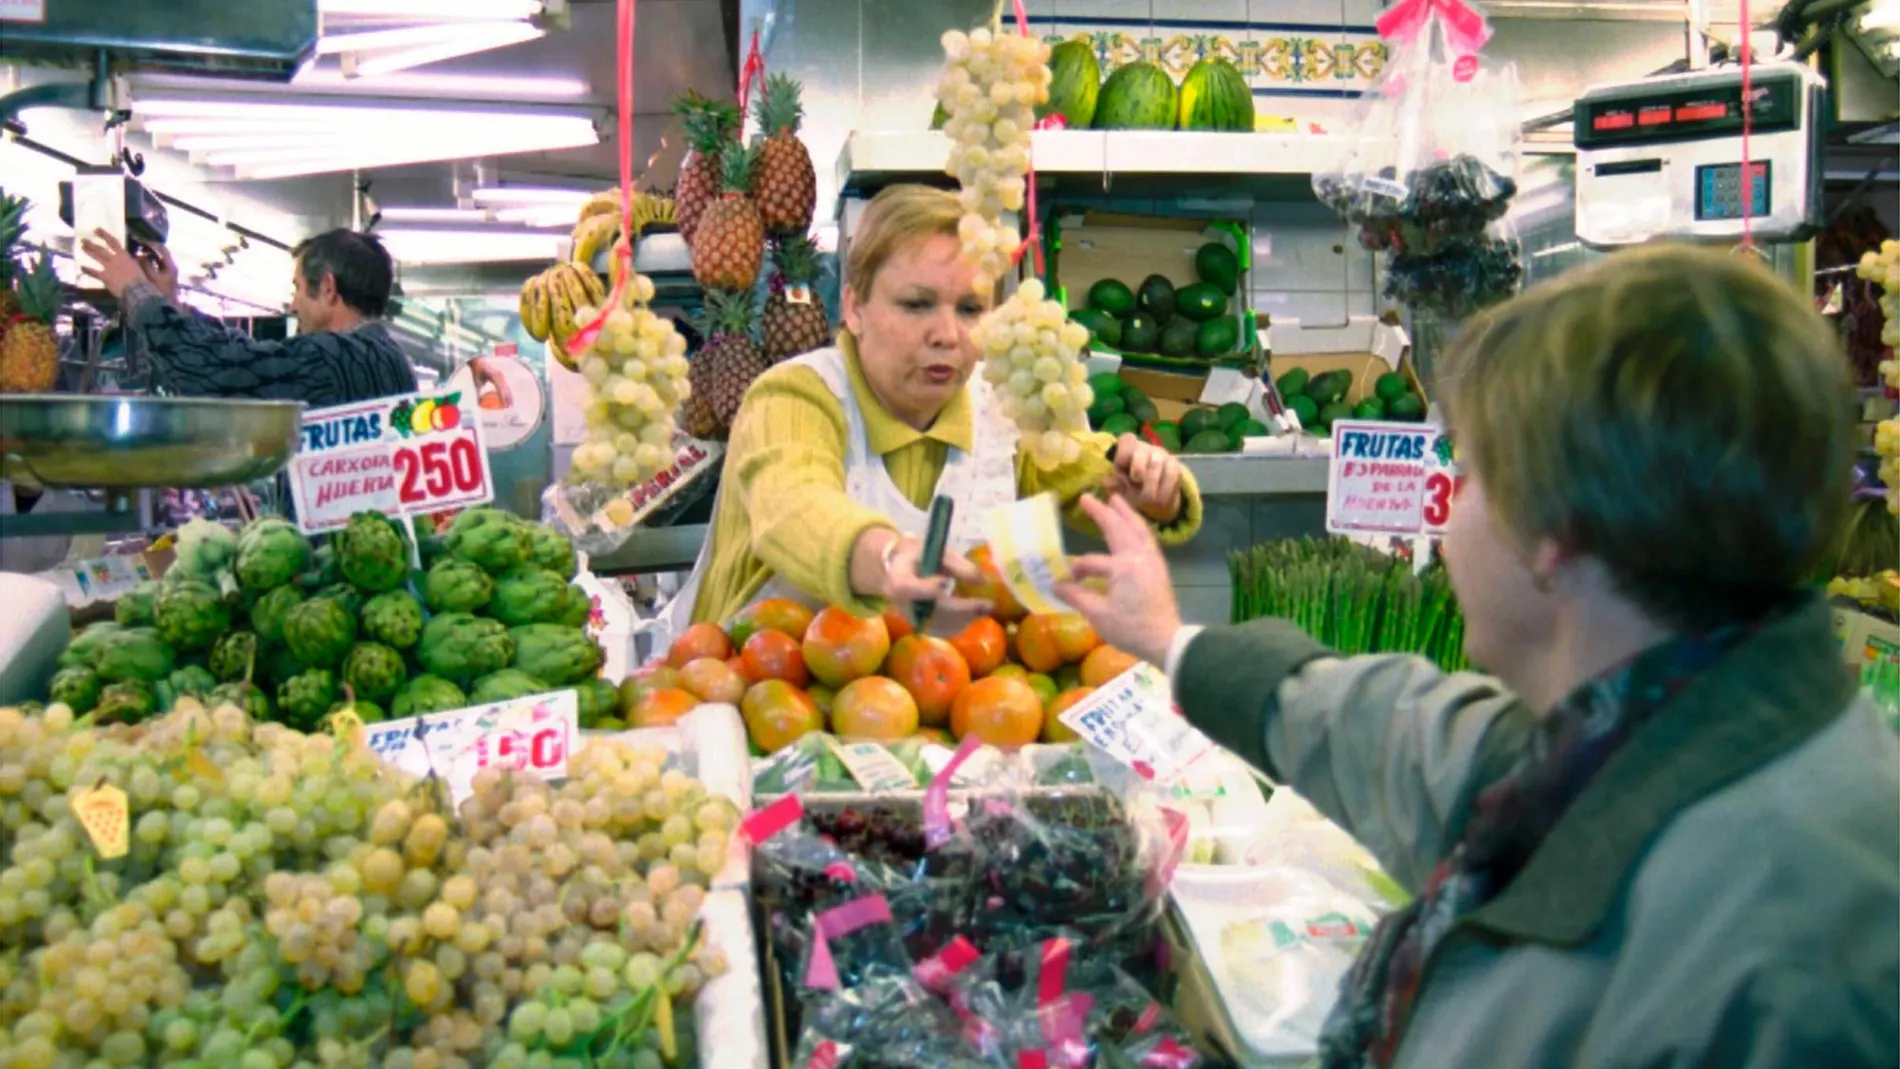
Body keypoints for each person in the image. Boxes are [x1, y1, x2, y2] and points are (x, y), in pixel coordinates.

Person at [1057, 244, 1900, 1068]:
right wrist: (1174, 641)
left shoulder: (1784, 950)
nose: (1446, 508)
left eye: (1467, 473)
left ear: (1553, 536)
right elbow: (1397, 735)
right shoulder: (1658, 729)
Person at [666, 184, 1204, 637]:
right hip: (752, 702)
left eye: (970, 309)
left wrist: (1153, 488)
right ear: (854, 308)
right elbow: (793, 505)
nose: (947, 335)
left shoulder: (999, 409)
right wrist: (882, 557)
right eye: (916, 304)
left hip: (920, 713)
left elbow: (1082, 465)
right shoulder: (793, 397)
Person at [79, 227, 417, 407]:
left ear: (328, 288)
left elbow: (217, 369)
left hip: (332, 541)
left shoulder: (332, 358)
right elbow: (248, 358)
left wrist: (138, 293)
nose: (293, 306)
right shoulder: (393, 360)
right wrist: (172, 305)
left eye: (297, 289)